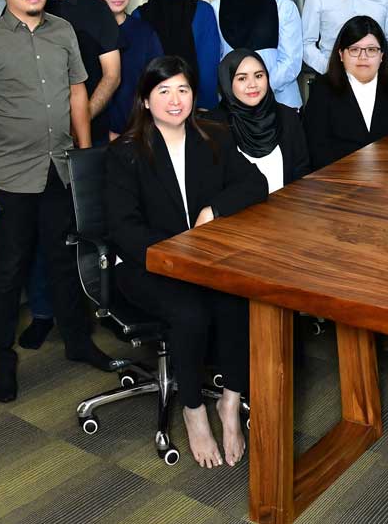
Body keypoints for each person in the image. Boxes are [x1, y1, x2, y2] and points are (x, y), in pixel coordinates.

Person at [0, 0, 117, 403]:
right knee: (10, 270)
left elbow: (77, 94)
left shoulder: (62, 30)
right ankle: (2, 359)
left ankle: (77, 341)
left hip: (60, 170)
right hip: (10, 176)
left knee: (65, 261)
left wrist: (84, 158)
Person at [104, 56, 268, 469]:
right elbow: (124, 229)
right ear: (145, 100)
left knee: (238, 298)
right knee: (190, 313)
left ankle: (229, 402)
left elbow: (256, 182)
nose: (175, 100)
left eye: (183, 89)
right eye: (163, 91)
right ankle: (193, 410)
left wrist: (214, 210)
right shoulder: (125, 152)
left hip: (202, 261)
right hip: (145, 265)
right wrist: (176, 254)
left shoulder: (213, 136)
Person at [38, 0, 123, 142]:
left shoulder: (98, 9)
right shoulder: (27, 8)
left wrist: (81, 120)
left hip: (93, 129)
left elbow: (112, 75)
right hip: (37, 135)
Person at [303, 16, 388, 168]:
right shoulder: (323, 88)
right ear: (341, 54)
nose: (363, 57)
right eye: (354, 50)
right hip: (337, 176)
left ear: (382, 55)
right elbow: (316, 147)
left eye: (371, 50)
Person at [132, 0, 224, 109]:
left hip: (196, 106)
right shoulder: (140, 15)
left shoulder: (203, 11)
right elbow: (137, 70)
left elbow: (208, 66)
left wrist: (204, 108)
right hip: (153, 107)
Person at [215, 0, 302, 108]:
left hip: (280, 102)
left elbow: (291, 61)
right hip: (234, 105)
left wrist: (258, 89)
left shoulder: (284, 7)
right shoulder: (216, 8)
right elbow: (217, 60)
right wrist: (239, 92)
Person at [207, 49, 309, 192]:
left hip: (288, 204)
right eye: (242, 78)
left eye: (259, 76)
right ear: (227, 82)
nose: (253, 84)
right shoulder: (213, 126)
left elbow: (302, 172)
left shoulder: (287, 116)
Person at [93, 0, 163, 140]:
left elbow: (157, 83)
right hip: (94, 132)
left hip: (137, 131)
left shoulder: (144, 32)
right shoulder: (84, 33)